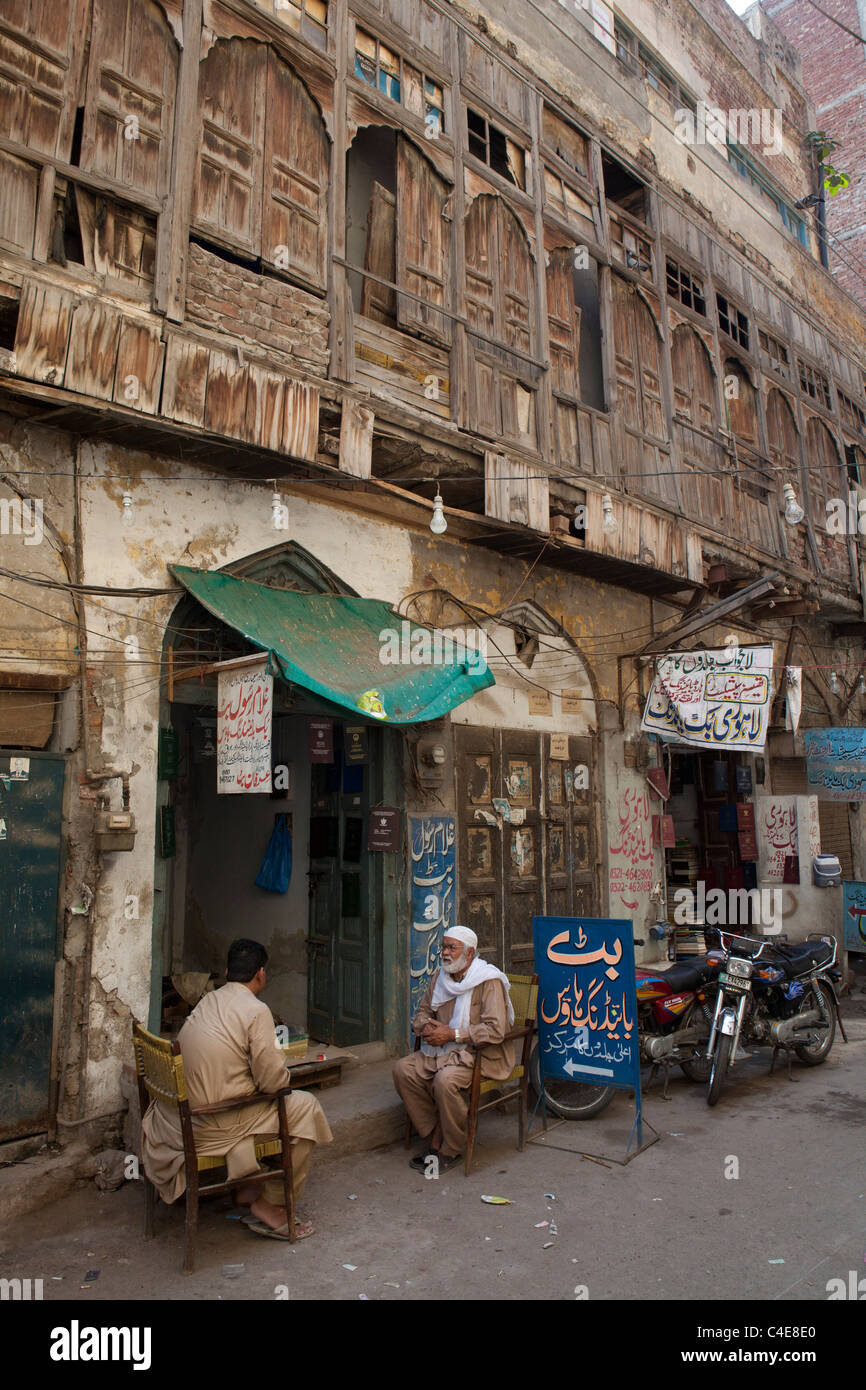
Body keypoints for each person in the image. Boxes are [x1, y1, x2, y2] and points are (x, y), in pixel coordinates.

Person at [140, 939, 332, 1241]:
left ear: (228, 971)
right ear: (261, 975)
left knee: (262, 1093)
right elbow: (273, 1083)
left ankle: (248, 1186)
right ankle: (270, 1204)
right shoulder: (256, 1011)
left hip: (177, 1117)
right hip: (210, 1123)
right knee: (306, 1108)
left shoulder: (209, 999)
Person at [393, 926, 514, 1173]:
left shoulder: (488, 980)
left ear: (469, 954)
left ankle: (451, 1146)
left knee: (444, 1081)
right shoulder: (441, 977)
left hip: (479, 1055)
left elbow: (495, 1030)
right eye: (444, 947)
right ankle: (437, 1126)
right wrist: (425, 1027)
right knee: (402, 1069)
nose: (445, 953)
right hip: (444, 1050)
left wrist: (452, 1033)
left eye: (451, 948)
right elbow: (423, 1012)